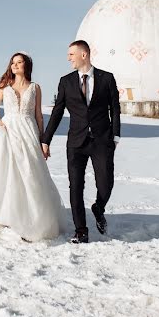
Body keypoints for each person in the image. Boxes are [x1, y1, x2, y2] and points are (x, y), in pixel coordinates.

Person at [0, 52, 65, 241]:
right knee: (8, 170)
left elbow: (39, 115)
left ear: (26, 65)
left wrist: (43, 140)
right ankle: (6, 214)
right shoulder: (4, 86)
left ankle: (32, 217)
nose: (15, 65)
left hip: (29, 131)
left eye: (19, 62)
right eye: (13, 63)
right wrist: (0, 123)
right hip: (10, 131)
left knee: (30, 172)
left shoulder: (35, 87)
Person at [41, 40, 121, 244]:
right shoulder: (65, 81)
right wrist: (46, 140)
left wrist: (115, 135)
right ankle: (81, 231)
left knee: (106, 183)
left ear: (84, 55)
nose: (68, 58)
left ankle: (98, 207)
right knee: (75, 186)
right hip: (76, 142)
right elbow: (58, 112)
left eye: (71, 54)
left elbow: (115, 109)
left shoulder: (107, 78)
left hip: (102, 140)